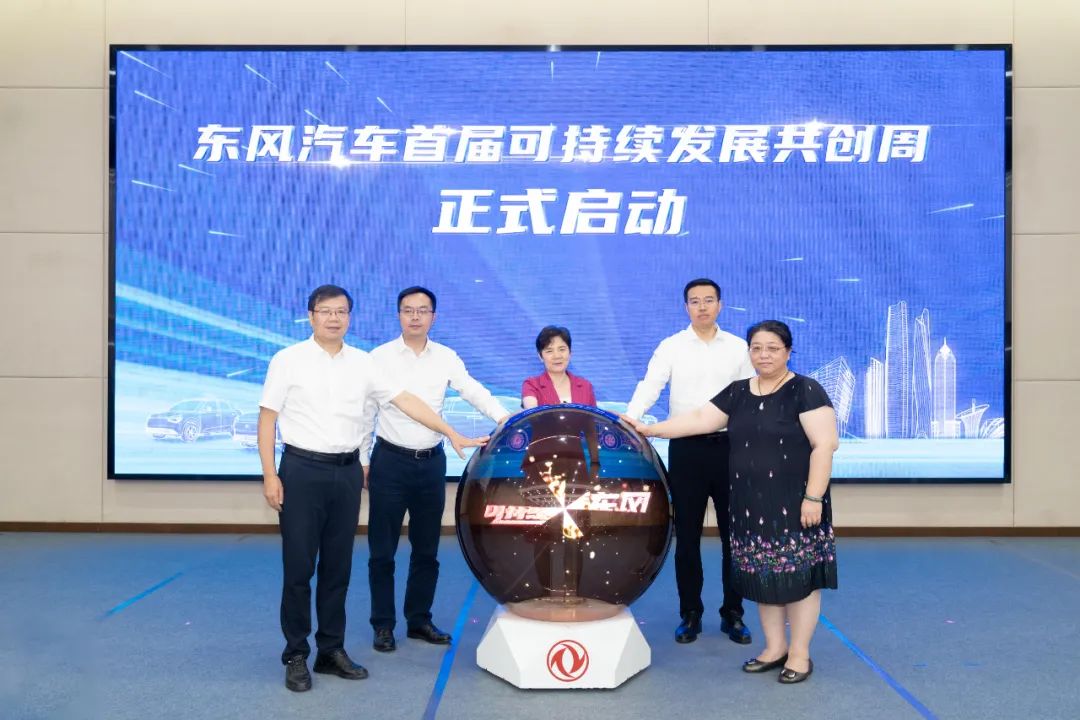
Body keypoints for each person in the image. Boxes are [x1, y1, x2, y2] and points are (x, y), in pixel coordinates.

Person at [258, 284, 486, 693]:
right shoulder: (287, 360)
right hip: (301, 471)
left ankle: (331, 650)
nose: (333, 318)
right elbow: (267, 419)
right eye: (325, 311)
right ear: (311, 316)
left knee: (338, 569)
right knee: (299, 570)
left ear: (350, 317)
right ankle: (296, 654)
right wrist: (269, 476)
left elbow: (406, 401)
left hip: (346, 473)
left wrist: (449, 431)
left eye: (341, 311)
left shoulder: (364, 363)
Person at [626, 320, 839, 684]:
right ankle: (775, 648)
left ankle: (800, 655)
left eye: (772, 348)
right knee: (763, 577)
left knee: (799, 580)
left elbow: (824, 445)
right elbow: (699, 419)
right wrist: (649, 429)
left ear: (788, 352)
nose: (764, 355)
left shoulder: (805, 390)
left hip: (797, 504)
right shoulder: (739, 392)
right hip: (753, 505)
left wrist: (813, 497)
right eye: (756, 348)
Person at [360, 286, 510, 654]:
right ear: (398, 315)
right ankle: (383, 625)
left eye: (422, 310)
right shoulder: (378, 357)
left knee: (426, 549)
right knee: (382, 551)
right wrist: (363, 459)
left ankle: (419, 620)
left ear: (433, 317)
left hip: (431, 463)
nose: (415, 316)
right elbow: (365, 413)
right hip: (389, 462)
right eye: (408, 310)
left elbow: (472, 390)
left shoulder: (445, 357)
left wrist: (504, 418)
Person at [626, 278, 755, 645]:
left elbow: (751, 395)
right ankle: (690, 613)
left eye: (708, 300)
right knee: (686, 538)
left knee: (735, 538)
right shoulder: (671, 346)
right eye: (695, 301)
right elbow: (650, 385)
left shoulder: (739, 348)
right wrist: (631, 419)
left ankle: (733, 613)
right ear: (686, 307)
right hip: (685, 449)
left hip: (731, 449)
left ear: (720, 305)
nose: (702, 307)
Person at [521, 326, 597, 408]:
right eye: (549, 351)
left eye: (562, 349)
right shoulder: (532, 385)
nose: (557, 356)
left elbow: (593, 415)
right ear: (540, 356)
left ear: (570, 353)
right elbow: (531, 412)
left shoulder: (585, 386)